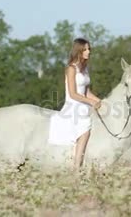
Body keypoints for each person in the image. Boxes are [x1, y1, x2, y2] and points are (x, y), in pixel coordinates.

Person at [48, 38, 102, 168]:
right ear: (79, 50)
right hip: (73, 105)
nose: (88, 52)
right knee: (85, 129)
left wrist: (100, 101)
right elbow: (73, 93)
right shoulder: (71, 68)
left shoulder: (85, 68)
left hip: (83, 104)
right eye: (85, 49)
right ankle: (76, 167)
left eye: (89, 49)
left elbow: (86, 92)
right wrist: (91, 102)